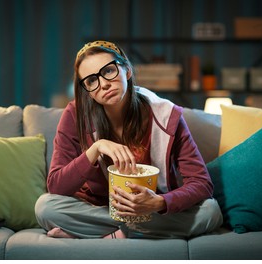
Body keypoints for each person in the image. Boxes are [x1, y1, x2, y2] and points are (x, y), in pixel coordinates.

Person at [35, 40, 223, 239]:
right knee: (45, 207)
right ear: (87, 91)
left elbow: (202, 183)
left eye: (108, 71)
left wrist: (159, 202)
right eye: (91, 81)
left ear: (127, 71)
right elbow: (56, 185)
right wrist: (96, 148)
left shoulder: (166, 115)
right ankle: (127, 233)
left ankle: (99, 233)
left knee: (210, 211)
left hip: (151, 210)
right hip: (99, 208)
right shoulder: (76, 115)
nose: (104, 84)